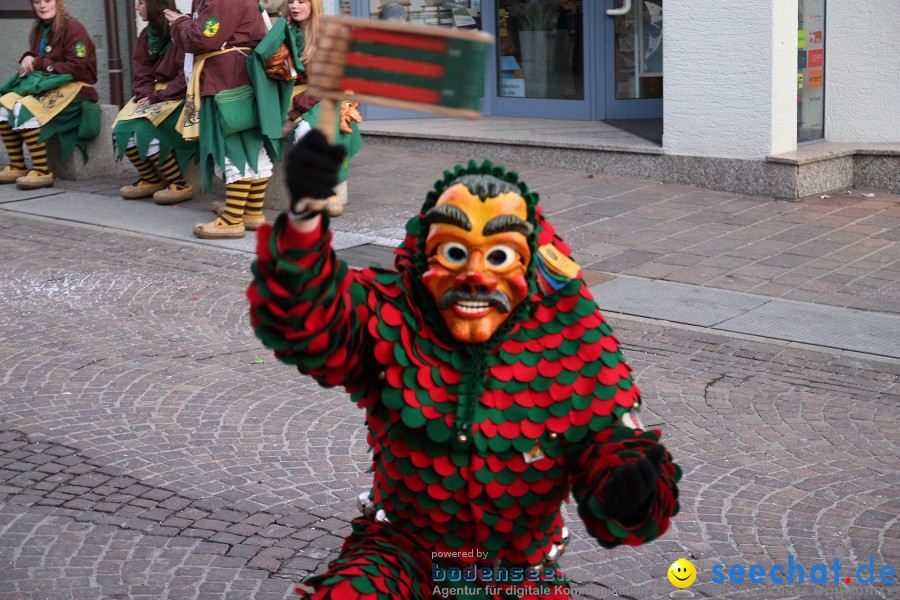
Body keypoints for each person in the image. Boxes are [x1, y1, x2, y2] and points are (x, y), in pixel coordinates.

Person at [249, 131, 682, 599]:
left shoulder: (572, 336)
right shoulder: (394, 312)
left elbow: (612, 440)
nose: (475, 277)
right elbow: (313, 314)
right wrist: (305, 220)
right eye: (454, 253)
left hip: (518, 572)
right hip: (404, 553)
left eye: (499, 257)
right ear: (424, 257)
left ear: (529, 264)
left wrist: (626, 488)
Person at [165, 0, 273, 239]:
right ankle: (252, 213)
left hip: (225, 81)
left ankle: (232, 219)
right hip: (240, 79)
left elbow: (203, 38)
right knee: (251, 147)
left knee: (231, 146)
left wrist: (180, 22)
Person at [0, 0, 100, 190]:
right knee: (4, 105)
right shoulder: (40, 27)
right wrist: (28, 56)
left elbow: (77, 68)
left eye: (48, 0)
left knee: (24, 108)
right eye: (37, 2)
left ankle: (42, 171)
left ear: (59, 2)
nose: (42, 6)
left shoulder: (74, 28)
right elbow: (43, 55)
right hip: (48, 84)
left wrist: (39, 63)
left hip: (76, 88)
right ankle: (17, 165)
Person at [281, 0, 362, 217]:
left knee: (310, 134)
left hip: (319, 97)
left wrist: (294, 115)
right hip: (294, 97)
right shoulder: (286, 29)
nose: (294, 6)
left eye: (301, 1)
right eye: (290, 2)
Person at [113, 0, 196, 205]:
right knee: (120, 129)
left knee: (144, 130)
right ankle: (150, 178)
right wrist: (144, 94)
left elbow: (185, 76)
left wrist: (156, 97)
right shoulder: (146, 35)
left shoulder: (180, 28)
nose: (136, 7)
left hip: (178, 94)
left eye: (141, 2)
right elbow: (141, 70)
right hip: (153, 94)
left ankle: (178, 183)